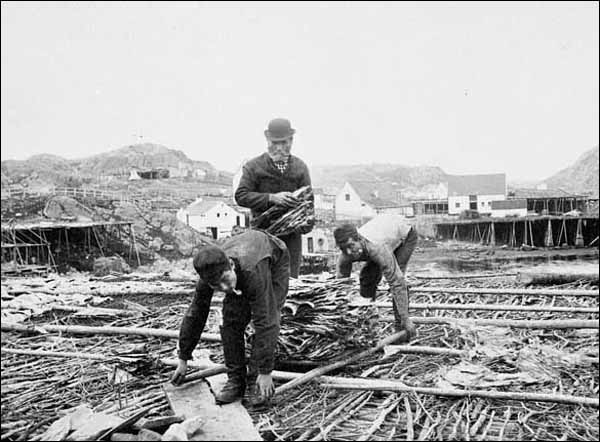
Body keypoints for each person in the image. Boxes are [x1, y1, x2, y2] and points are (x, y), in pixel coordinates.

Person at [171, 230, 290, 405]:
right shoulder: (210, 275)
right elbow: (196, 314)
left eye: (225, 280)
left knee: (265, 312)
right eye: (216, 285)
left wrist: (266, 371)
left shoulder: (252, 272)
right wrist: (184, 357)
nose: (224, 288)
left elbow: (267, 322)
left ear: (231, 266)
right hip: (244, 256)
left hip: (273, 257)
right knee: (230, 322)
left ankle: (254, 379)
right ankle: (236, 380)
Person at [234, 117, 313, 278]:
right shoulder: (253, 166)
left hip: (291, 240)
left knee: (289, 283)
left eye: (284, 142)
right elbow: (241, 196)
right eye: (274, 143)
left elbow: (309, 206)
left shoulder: (300, 167)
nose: (279, 148)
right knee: (262, 282)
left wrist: (301, 225)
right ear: (267, 139)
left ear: (291, 140)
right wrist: (271, 198)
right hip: (262, 236)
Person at [333, 214, 418, 342]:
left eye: (351, 246)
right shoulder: (346, 255)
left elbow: (397, 283)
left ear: (359, 239)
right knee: (367, 277)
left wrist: (406, 318)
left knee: (397, 274)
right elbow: (339, 286)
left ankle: (401, 327)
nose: (349, 252)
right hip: (383, 232)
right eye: (344, 249)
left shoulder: (377, 248)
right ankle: (367, 321)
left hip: (405, 235)